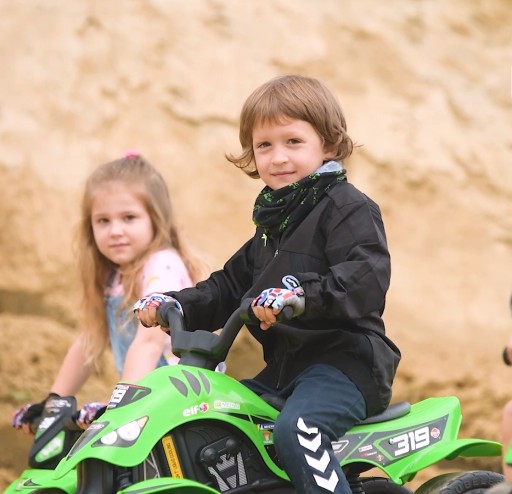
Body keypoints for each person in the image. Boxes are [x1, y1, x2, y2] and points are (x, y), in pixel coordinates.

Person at [134, 74, 401, 494]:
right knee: (217, 419)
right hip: (284, 371)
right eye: (264, 145)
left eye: (293, 141)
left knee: (298, 429)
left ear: (329, 145)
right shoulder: (271, 227)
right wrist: (174, 304)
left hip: (345, 366)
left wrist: (301, 296)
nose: (278, 157)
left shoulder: (348, 207)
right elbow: (227, 286)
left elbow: (364, 277)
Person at [12, 152, 211, 432]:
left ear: (156, 219)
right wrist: (55, 402)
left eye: (129, 217)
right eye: (103, 221)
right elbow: (88, 341)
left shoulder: (162, 266)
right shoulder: (113, 277)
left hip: (184, 409)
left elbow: (149, 344)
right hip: (146, 405)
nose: (115, 230)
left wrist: (119, 408)